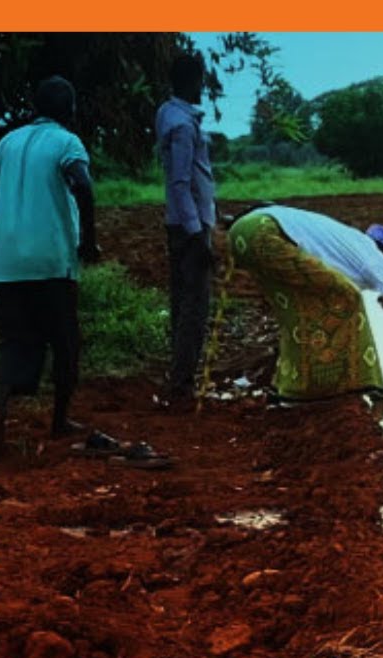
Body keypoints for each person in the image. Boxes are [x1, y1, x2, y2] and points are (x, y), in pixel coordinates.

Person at [0, 75, 100, 458]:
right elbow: (83, 184)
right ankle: (60, 420)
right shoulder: (67, 142)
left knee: (17, 338)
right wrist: (88, 239)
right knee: (65, 340)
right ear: (69, 110)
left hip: (6, 259)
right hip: (50, 258)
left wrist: (8, 226)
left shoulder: (8, 141)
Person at [225, 203, 383, 403]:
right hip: (266, 235)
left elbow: (266, 206)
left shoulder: (349, 242)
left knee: (302, 310)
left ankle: (284, 383)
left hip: (243, 232)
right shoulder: (377, 260)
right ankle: (346, 383)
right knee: (349, 297)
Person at [155, 53, 216, 403]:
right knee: (194, 305)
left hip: (183, 222)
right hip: (188, 228)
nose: (203, 87)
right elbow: (180, 182)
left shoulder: (170, 114)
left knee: (183, 302)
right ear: (193, 80)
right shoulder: (181, 124)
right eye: (201, 80)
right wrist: (197, 234)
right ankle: (181, 384)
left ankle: (178, 377)